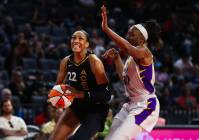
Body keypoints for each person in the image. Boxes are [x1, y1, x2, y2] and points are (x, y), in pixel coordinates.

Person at [101, 5, 160, 140]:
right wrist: (116, 59)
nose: (128, 36)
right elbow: (125, 80)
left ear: (141, 38)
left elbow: (127, 47)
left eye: (131, 34)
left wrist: (106, 29)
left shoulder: (145, 52)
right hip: (131, 104)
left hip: (146, 105)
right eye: (128, 33)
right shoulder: (130, 59)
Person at [49, 29, 111, 140]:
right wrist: (55, 97)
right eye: (73, 37)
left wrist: (79, 94)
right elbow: (57, 87)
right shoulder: (66, 61)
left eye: (80, 38)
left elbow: (106, 94)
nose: (76, 40)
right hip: (76, 107)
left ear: (87, 44)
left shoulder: (94, 61)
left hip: (95, 109)